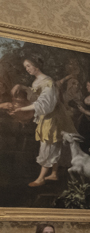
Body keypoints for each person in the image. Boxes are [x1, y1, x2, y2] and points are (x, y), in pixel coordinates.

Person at [4, 56, 80, 189]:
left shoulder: (48, 81)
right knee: (54, 141)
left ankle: (41, 178)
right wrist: (21, 86)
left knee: (49, 143)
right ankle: (54, 173)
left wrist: (21, 108)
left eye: (28, 66)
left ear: (36, 66)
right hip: (48, 115)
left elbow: (44, 104)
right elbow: (34, 98)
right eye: (25, 67)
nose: (27, 69)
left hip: (53, 116)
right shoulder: (36, 82)